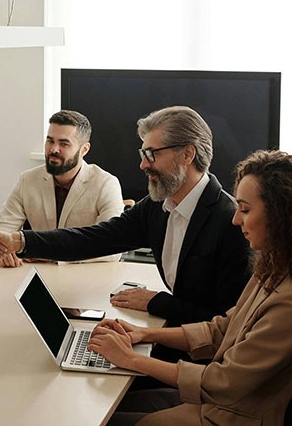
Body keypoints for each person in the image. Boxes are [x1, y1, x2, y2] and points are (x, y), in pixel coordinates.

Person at [0, 106, 251, 363]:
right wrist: (21, 241)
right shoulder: (158, 206)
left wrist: (157, 302)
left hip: (202, 362)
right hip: (173, 340)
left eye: (151, 154)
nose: (142, 165)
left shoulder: (230, 222)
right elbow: (95, 238)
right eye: (142, 153)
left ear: (187, 154)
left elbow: (227, 323)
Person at [87, 149, 292, 425]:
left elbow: (224, 382)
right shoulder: (271, 267)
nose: (235, 219)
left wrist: (132, 360)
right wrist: (145, 335)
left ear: (280, 215)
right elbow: (221, 329)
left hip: (233, 416)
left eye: (244, 209)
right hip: (220, 404)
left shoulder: (286, 303)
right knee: (107, 404)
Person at [0, 110, 124, 267]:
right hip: (36, 276)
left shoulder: (106, 183)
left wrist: (51, 254)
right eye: (50, 141)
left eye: (64, 144)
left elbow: (112, 248)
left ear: (84, 150)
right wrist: (3, 250)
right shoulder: (28, 180)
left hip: (86, 277)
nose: (53, 149)